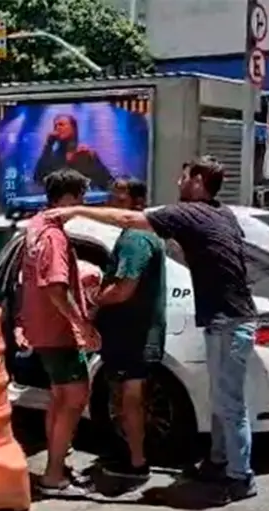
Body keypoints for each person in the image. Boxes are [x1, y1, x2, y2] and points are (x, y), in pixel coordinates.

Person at [45, 155, 259, 504]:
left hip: (229, 321)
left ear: (200, 181)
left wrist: (76, 213)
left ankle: (241, 476)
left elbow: (132, 221)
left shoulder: (191, 213)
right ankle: (219, 462)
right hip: (226, 319)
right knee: (221, 401)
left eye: (185, 177)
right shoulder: (221, 213)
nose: (179, 182)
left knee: (230, 404)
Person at [17, 168, 101, 497]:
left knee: (60, 398)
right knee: (75, 398)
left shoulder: (36, 227)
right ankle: (54, 476)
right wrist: (82, 324)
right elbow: (55, 287)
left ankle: (57, 464)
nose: (80, 204)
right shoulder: (53, 235)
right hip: (59, 332)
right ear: (64, 198)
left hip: (43, 329)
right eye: (78, 197)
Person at [90, 178, 165, 480]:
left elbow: (123, 290)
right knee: (131, 399)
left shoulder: (135, 239)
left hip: (131, 337)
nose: (111, 199)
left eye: (118, 196)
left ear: (136, 202)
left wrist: (93, 300)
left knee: (129, 400)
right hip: (135, 334)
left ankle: (136, 463)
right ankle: (133, 455)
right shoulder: (144, 234)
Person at [33, 114, 113, 191]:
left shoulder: (87, 154)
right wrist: (48, 146)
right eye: (55, 126)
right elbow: (38, 180)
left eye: (61, 125)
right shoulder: (51, 156)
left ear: (73, 128)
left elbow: (107, 183)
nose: (57, 128)